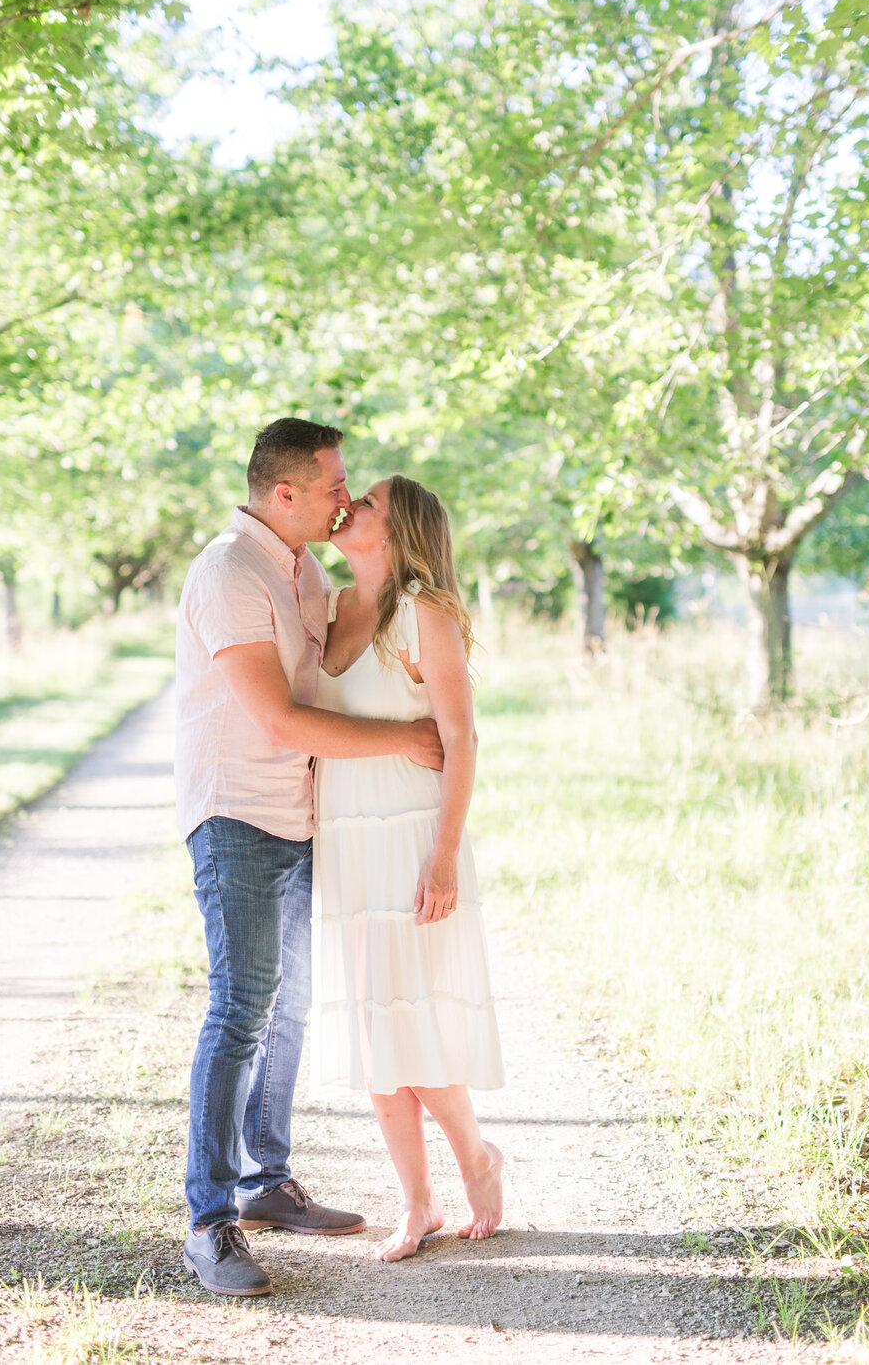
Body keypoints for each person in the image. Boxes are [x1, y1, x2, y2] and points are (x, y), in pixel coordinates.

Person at [174, 420, 444, 1298]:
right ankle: (209, 1220)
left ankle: (267, 1184)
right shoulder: (228, 571)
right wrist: (407, 737)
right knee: (243, 1006)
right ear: (283, 493)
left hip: (300, 814)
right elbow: (281, 721)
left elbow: (343, 654)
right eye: (333, 483)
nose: (345, 494)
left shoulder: (303, 569)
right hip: (237, 813)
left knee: (289, 1010)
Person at [312, 474, 504, 1261]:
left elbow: (460, 739)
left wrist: (445, 856)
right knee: (368, 1023)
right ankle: (416, 1203)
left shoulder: (424, 612)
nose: (348, 503)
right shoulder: (326, 606)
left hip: (411, 833)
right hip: (344, 837)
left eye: (368, 502)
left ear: (395, 532)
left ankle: (478, 1161)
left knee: (409, 1018)